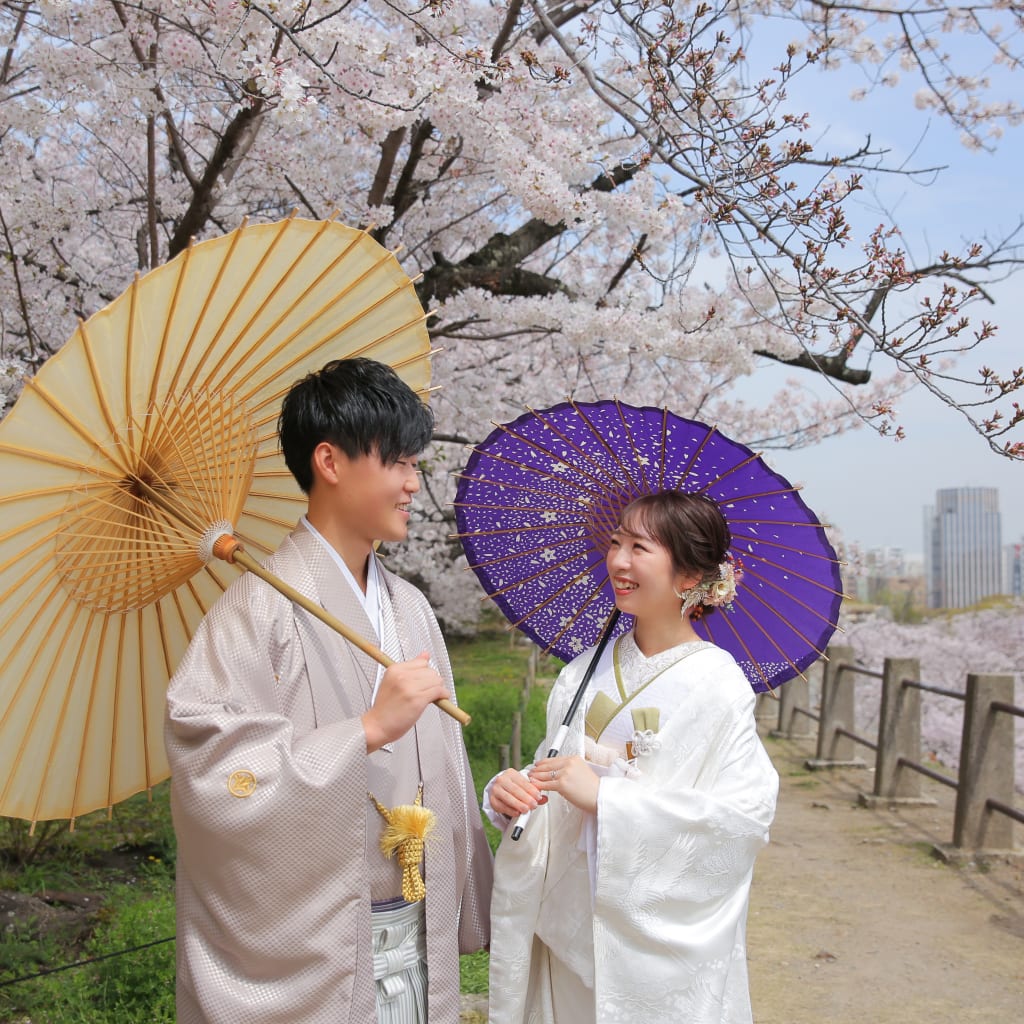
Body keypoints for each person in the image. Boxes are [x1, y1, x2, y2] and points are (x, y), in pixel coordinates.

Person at [165, 358, 493, 1024]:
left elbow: (447, 773)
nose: (411, 483)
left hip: (413, 919)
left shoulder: (411, 609)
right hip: (315, 943)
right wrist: (366, 731)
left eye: (415, 465)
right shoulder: (254, 611)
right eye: (398, 462)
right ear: (331, 462)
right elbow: (212, 767)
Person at [484, 490, 779, 1024]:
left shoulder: (718, 684)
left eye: (640, 547)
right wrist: (513, 797)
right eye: (616, 542)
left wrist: (609, 799)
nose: (618, 560)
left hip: (650, 944)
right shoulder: (581, 673)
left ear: (689, 576)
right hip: (567, 919)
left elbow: (742, 820)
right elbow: (551, 772)